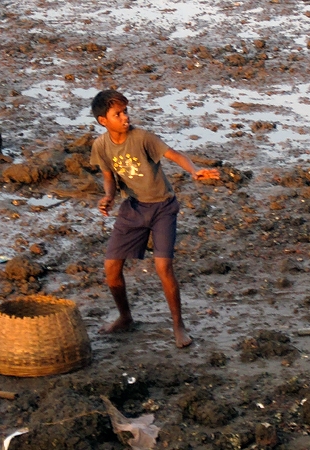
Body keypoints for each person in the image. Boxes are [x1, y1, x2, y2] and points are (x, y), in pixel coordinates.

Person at [89, 89, 220, 348]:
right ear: (103, 121)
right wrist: (108, 197)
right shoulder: (101, 146)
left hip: (163, 207)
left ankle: (178, 325)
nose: (125, 117)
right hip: (133, 208)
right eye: (118, 114)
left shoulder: (142, 138)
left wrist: (194, 170)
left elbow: (174, 155)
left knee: (163, 268)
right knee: (111, 268)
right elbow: (109, 178)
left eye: (126, 111)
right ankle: (125, 317)